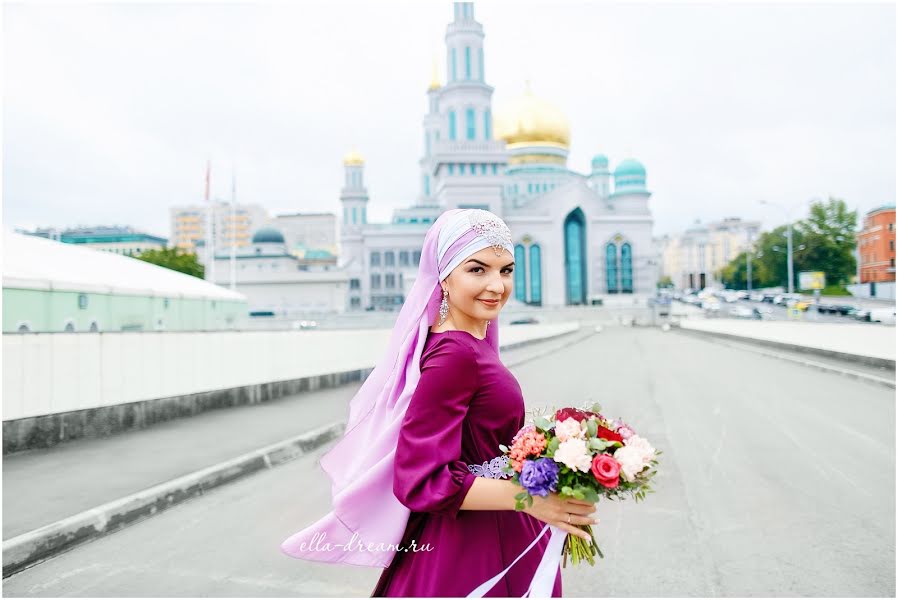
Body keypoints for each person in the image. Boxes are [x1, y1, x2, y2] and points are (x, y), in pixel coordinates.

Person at [280, 209, 598, 597]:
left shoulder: (468, 346)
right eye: (477, 270)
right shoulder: (455, 355)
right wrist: (529, 499)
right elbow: (422, 478)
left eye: (506, 270)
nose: (496, 286)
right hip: (470, 550)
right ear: (443, 277)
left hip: (495, 531)